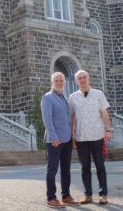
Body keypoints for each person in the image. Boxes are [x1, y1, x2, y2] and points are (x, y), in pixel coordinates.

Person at [68, 70, 112, 205]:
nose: (82, 80)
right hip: (81, 138)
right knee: (85, 168)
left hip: (97, 136)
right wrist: (72, 135)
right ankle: (87, 194)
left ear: (88, 79)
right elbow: (72, 117)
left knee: (100, 166)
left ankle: (103, 194)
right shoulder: (73, 97)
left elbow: (104, 112)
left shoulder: (98, 94)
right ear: (76, 81)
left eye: (84, 77)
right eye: (79, 78)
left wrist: (108, 130)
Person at [41, 72, 80, 208]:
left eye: (61, 80)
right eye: (56, 80)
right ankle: (51, 198)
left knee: (66, 169)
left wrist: (72, 137)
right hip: (54, 141)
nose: (59, 82)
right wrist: (54, 137)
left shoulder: (64, 98)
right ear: (52, 83)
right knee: (52, 170)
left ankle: (66, 195)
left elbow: (68, 120)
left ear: (64, 82)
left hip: (67, 140)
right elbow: (47, 120)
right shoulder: (47, 97)